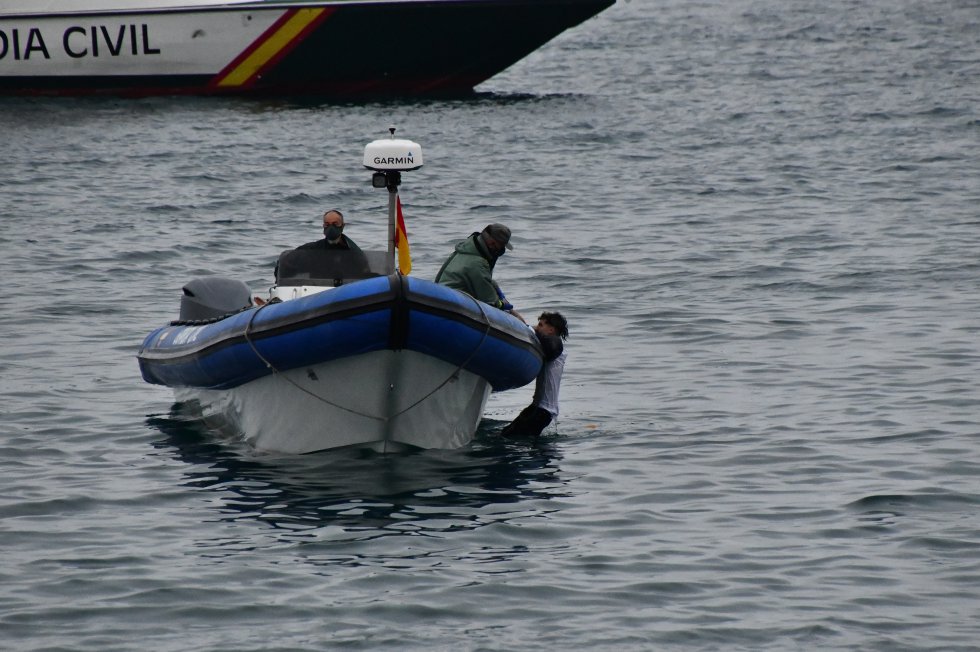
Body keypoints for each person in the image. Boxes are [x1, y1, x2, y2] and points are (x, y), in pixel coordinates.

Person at [501, 311, 569, 439]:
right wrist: (519, 320)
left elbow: (540, 339)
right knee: (505, 434)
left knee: (513, 438)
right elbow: (535, 335)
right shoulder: (548, 344)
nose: (538, 327)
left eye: (541, 325)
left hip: (544, 411)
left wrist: (525, 326)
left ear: (551, 329)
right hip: (537, 407)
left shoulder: (556, 347)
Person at [435, 223, 519, 315]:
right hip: (452, 307)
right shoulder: (478, 263)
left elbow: (483, 281)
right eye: (502, 247)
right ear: (492, 243)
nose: (502, 250)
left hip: (441, 299)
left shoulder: (463, 251)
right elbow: (490, 301)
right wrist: (506, 308)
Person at [297, 209, 362, 252]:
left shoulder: (353, 250)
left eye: (335, 224)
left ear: (343, 226)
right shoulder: (313, 248)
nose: (331, 228)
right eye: (327, 224)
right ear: (323, 226)